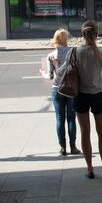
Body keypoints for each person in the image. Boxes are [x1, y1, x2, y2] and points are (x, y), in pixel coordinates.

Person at [74, 21, 102, 179]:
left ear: (82, 34)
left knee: (85, 133)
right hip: (98, 94)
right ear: (97, 34)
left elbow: (61, 73)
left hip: (80, 95)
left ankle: (89, 169)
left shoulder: (74, 52)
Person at [41, 28, 78, 156]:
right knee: (72, 118)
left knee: (59, 119)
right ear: (66, 39)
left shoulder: (51, 55)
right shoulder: (73, 52)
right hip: (71, 89)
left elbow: (50, 76)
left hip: (57, 89)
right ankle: (73, 146)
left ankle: (62, 147)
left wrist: (42, 73)